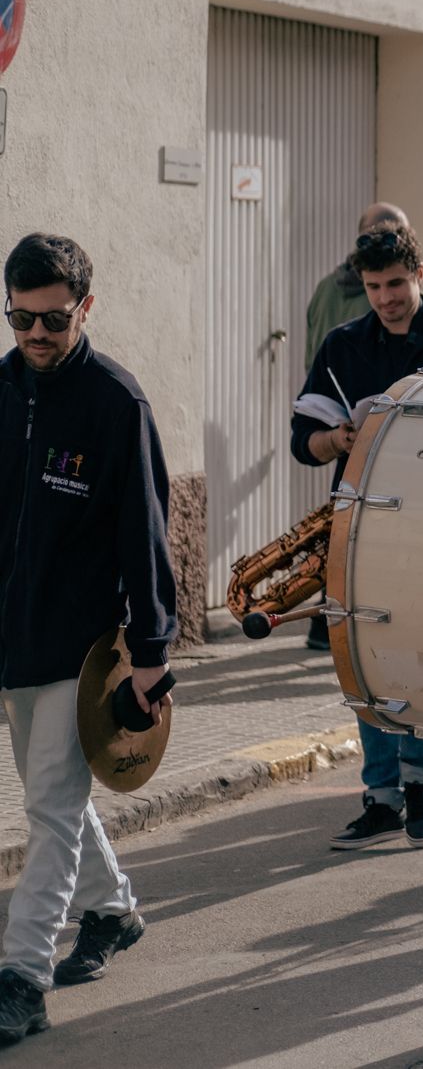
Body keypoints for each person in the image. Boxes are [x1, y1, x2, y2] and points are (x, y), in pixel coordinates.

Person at [0, 235, 176, 1046]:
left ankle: (23, 977)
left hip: (81, 651)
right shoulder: (2, 389)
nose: (36, 334)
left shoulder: (116, 402)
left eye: (53, 319)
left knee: (55, 811)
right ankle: (113, 909)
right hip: (13, 637)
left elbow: (145, 533)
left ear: (85, 308)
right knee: (52, 801)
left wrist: (151, 650)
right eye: (21, 317)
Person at [291, 222, 423, 846]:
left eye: (396, 284)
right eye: (376, 287)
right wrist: (340, 440)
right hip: (361, 528)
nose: (386, 298)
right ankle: (380, 795)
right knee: (365, 657)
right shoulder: (343, 345)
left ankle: (420, 786)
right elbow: (304, 441)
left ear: (421, 275)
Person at [305, 201, 407, 370]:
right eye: (402, 236)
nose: (384, 296)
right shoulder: (392, 300)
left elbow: (310, 357)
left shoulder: (324, 287)